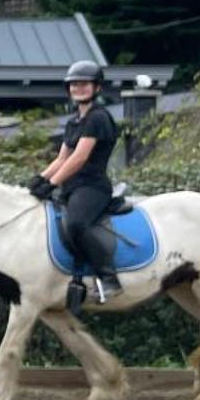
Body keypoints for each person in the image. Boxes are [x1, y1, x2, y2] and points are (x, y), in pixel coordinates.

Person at [29, 58, 122, 312]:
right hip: (71, 187)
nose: (78, 88)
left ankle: (108, 277)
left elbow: (79, 158)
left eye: (84, 84)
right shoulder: (74, 122)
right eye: (74, 84)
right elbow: (62, 158)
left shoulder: (98, 118)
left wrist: (52, 184)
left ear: (97, 88)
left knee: (76, 223)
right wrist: (40, 180)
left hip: (92, 187)